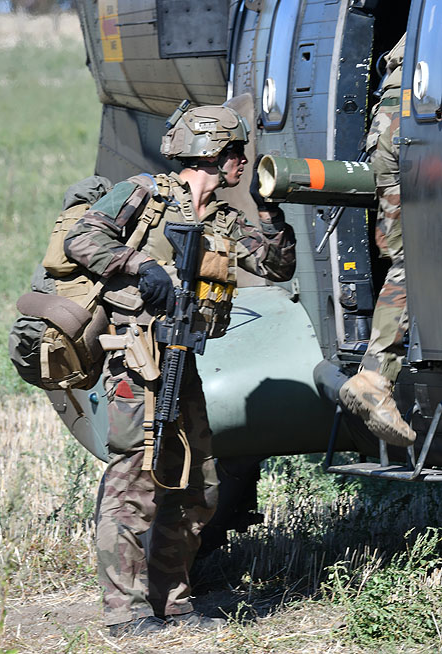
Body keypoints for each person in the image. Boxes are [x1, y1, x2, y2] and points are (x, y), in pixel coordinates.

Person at [63, 103, 296, 636]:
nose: (243, 162)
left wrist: (268, 212)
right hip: (137, 355)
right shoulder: (146, 193)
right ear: (215, 153)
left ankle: (173, 599)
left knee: (198, 484)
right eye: (238, 153)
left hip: (182, 360)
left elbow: (276, 266)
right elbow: (82, 239)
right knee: (135, 480)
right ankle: (126, 611)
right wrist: (139, 264)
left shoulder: (222, 218)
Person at [339, 35, 416, 448]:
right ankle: (375, 376)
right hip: (417, 120)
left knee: (405, 260)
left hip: (393, 122)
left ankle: (375, 373)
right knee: (415, 263)